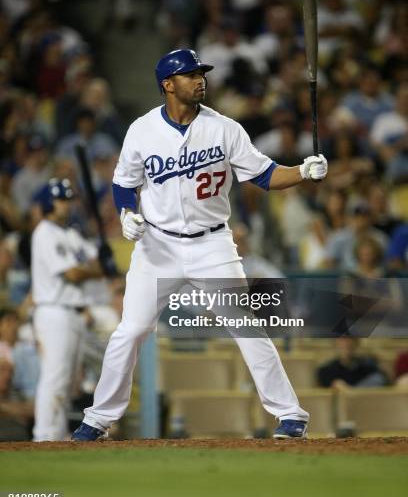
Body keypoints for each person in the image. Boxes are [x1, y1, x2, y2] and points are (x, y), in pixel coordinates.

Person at [72, 48, 328, 442]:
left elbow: (264, 175)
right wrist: (126, 214)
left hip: (213, 246)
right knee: (131, 331)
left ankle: (291, 416)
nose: (200, 79)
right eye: (191, 74)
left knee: (247, 328)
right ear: (167, 84)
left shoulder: (224, 128)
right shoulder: (141, 130)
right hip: (157, 247)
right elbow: (124, 182)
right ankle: (98, 419)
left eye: (201, 73)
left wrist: (302, 172)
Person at [31, 178, 116, 441]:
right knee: (55, 377)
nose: (66, 205)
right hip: (53, 310)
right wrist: (102, 269)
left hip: (75, 312)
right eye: (60, 200)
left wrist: (105, 255)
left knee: (68, 383)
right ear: (48, 203)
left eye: (68, 200)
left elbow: (92, 257)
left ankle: (55, 436)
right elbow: (73, 273)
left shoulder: (70, 234)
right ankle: (43, 435)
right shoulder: (44, 232)